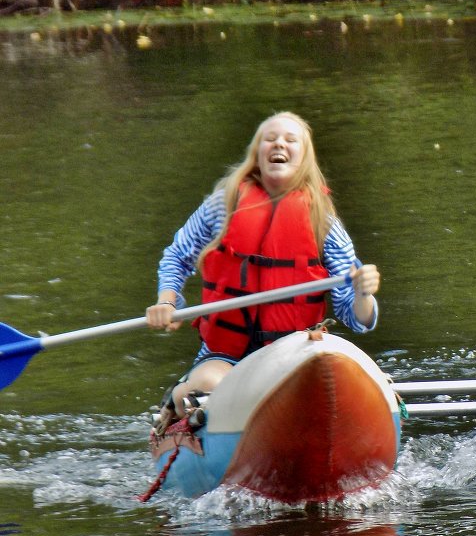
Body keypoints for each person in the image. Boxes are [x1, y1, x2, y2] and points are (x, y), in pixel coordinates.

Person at [146, 111, 380, 420]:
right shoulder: (224, 204)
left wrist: (364, 295)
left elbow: (356, 318)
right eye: (269, 139)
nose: (278, 143)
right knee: (207, 383)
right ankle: (181, 399)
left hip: (293, 355)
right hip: (226, 356)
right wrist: (167, 300)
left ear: (305, 157)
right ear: (257, 154)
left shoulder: (323, 221)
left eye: (290, 139)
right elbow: (177, 256)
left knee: (329, 377)